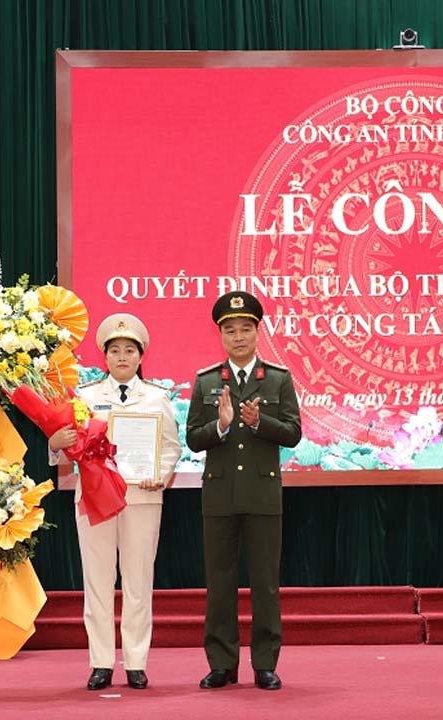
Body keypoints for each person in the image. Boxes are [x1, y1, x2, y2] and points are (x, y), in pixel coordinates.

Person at [49, 313, 181, 691]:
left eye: (130, 350)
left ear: (141, 357)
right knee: (98, 581)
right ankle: (101, 662)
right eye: (115, 350)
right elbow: (67, 451)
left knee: (139, 582)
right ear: (104, 357)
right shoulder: (86, 398)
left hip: (142, 497)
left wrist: (163, 472)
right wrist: (53, 447)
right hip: (94, 500)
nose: (122, 357)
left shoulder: (157, 397)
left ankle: (136, 662)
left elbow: (170, 446)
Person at [186, 290, 302, 691]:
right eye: (230, 330)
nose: (238, 337)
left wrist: (258, 422)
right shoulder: (205, 382)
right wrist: (219, 426)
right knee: (219, 584)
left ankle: (265, 664)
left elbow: (293, 434)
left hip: (262, 496)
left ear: (257, 332)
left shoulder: (277, 379)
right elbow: (193, 439)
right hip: (218, 497)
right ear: (221, 335)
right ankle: (222, 663)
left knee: (266, 585)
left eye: (246, 329)